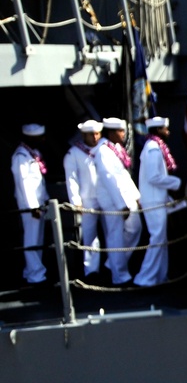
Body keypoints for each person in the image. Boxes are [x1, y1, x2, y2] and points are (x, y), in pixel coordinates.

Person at [134, 117, 182, 287]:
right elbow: (154, 177)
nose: (168, 132)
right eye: (165, 129)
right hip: (153, 201)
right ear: (158, 130)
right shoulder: (153, 149)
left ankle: (159, 277)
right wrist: (176, 183)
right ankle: (145, 278)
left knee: (160, 240)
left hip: (157, 199)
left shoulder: (152, 146)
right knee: (156, 239)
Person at [94, 117, 141, 285]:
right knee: (115, 237)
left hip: (125, 198)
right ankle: (120, 276)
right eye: (121, 131)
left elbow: (123, 175)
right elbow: (110, 179)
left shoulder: (115, 149)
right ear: (112, 133)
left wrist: (136, 196)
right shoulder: (103, 151)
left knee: (135, 229)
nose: (124, 134)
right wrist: (121, 205)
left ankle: (111, 264)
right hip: (113, 201)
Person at [63, 119, 103, 278]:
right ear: (83, 135)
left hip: (106, 198)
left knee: (115, 233)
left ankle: (114, 269)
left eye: (97, 134)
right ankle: (91, 271)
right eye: (91, 134)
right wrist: (76, 201)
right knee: (90, 236)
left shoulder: (105, 149)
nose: (94, 137)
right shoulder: (74, 154)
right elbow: (71, 179)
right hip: (87, 200)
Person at [11, 123, 49, 284]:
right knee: (32, 240)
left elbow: (39, 182)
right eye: (38, 138)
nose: (42, 140)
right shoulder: (21, 156)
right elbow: (24, 183)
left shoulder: (32, 153)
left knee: (38, 240)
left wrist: (44, 199)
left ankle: (32, 272)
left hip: (38, 204)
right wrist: (33, 206)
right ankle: (36, 275)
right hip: (30, 206)